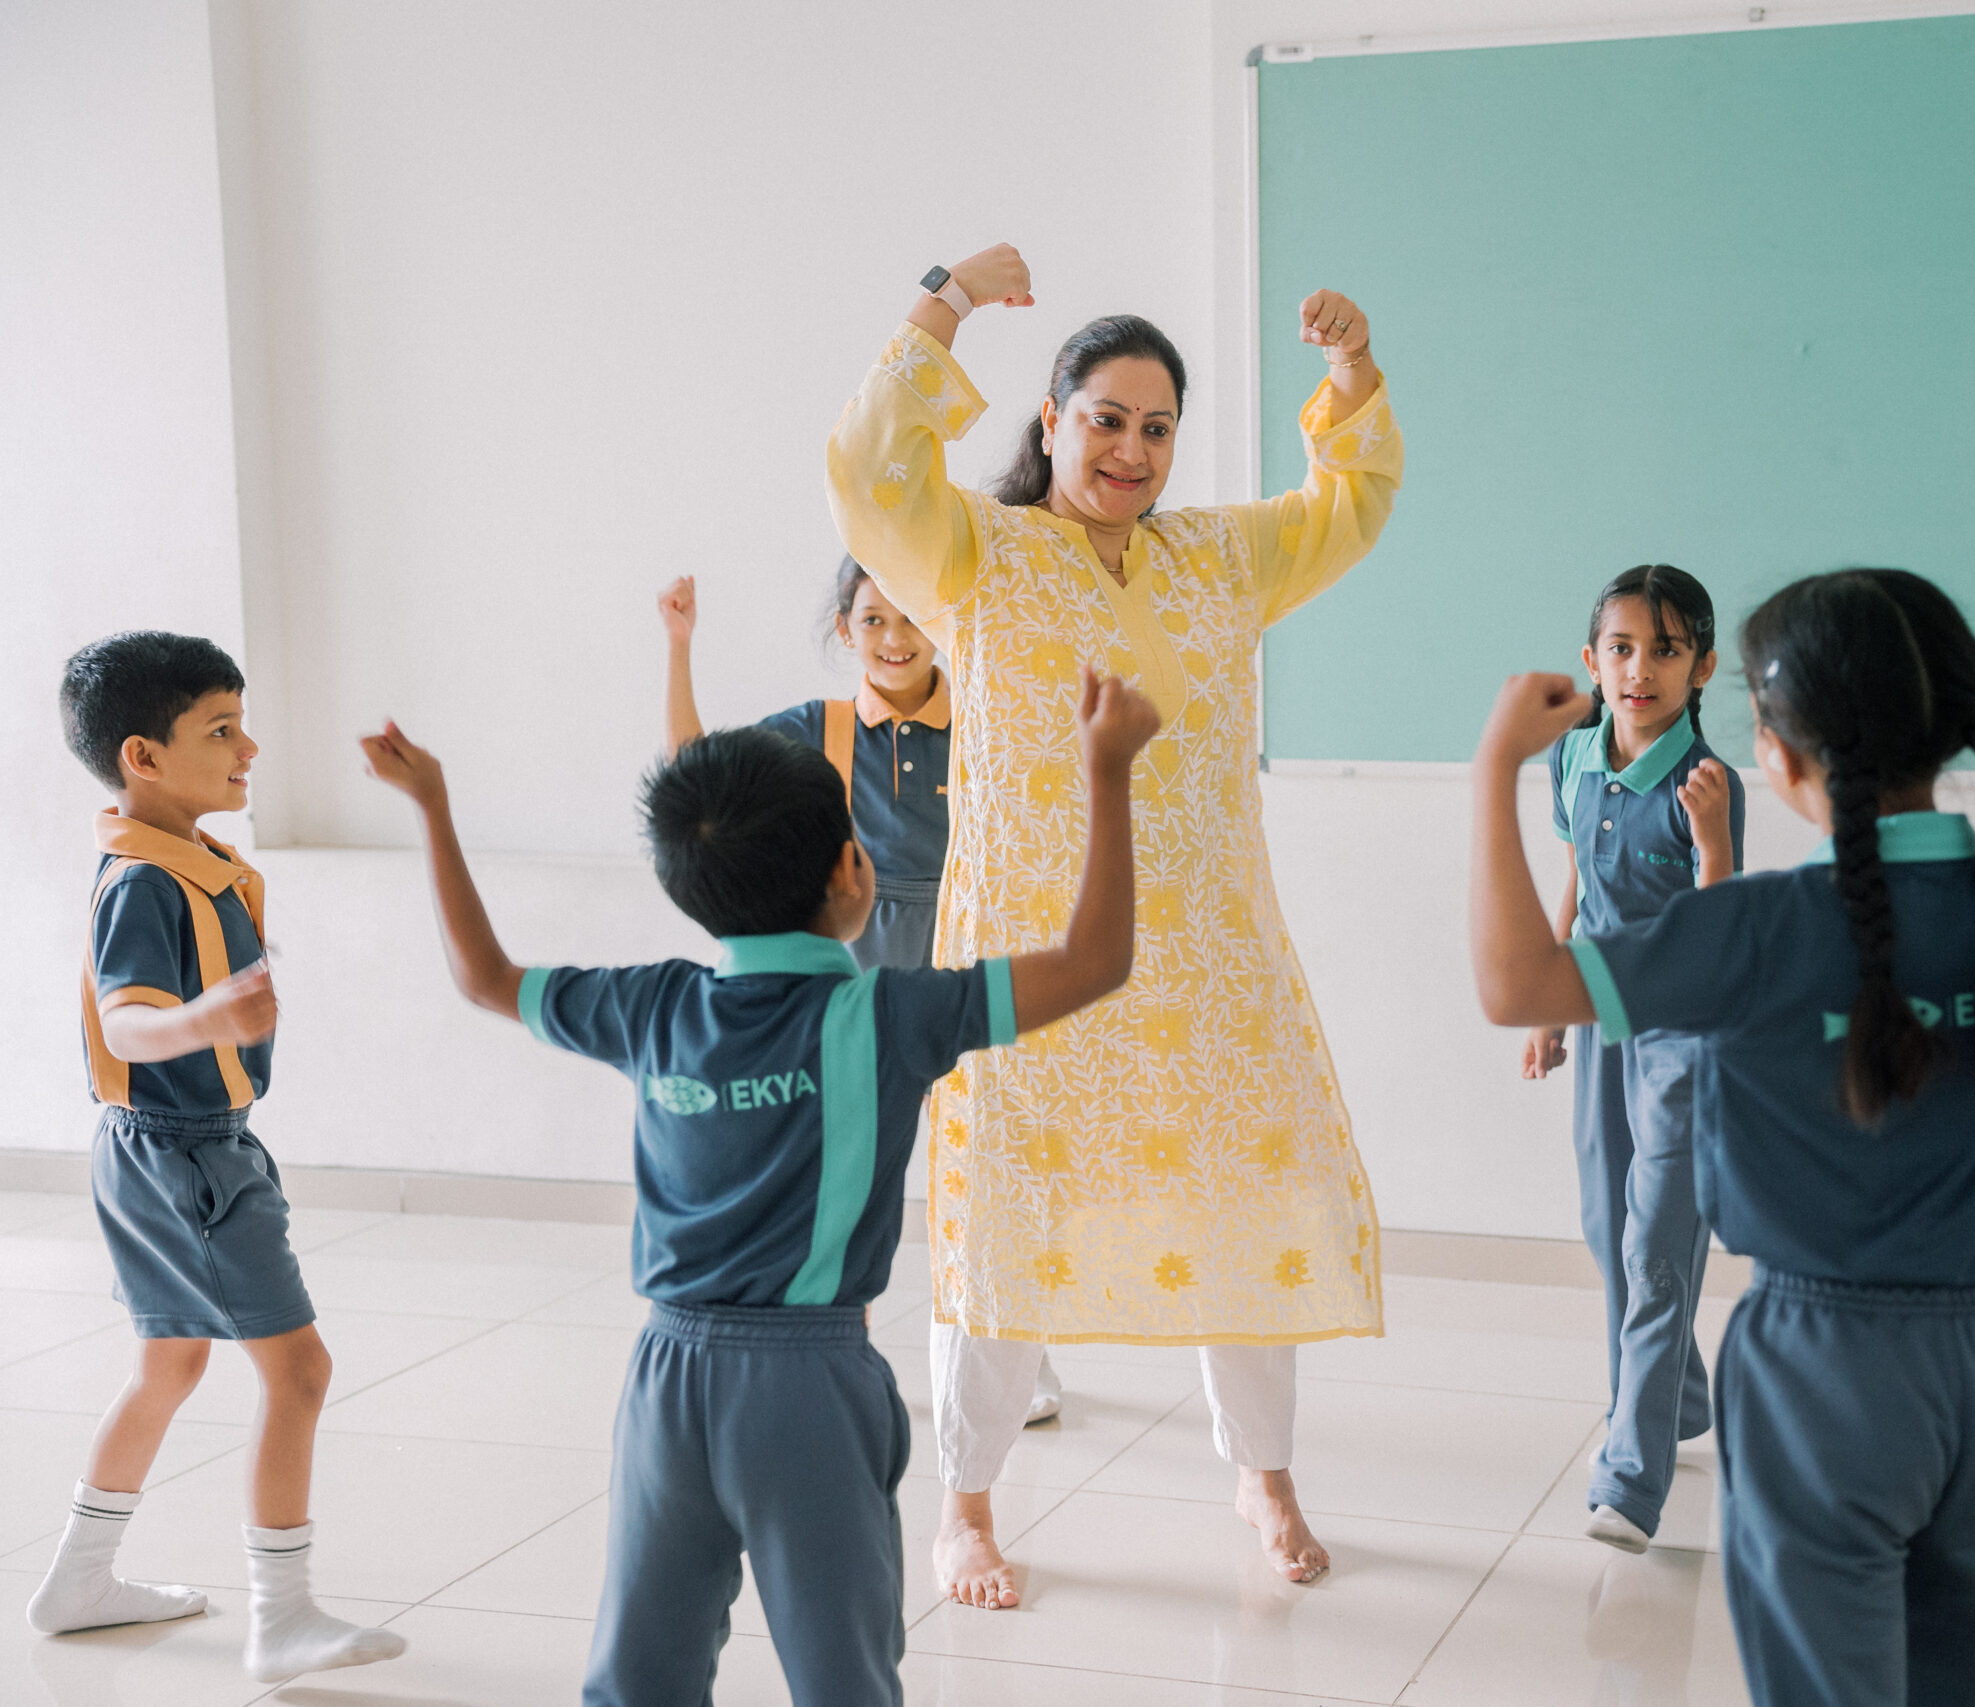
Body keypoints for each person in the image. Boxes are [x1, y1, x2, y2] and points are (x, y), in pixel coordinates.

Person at [1468, 568, 1975, 1707]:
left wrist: (1492, 773)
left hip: (1812, 1369)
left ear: (1775, 755)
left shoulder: (1757, 928)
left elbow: (1513, 982)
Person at [359, 666, 1157, 1706]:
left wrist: (432, 806)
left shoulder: (651, 1007)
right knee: (843, 1678)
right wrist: (1106, 769)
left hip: (663, 1381)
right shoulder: (892, 1015)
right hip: (808, 1389)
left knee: (638, 1679)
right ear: (853, 870)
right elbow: (1095, 961)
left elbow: (483, 978)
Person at [826, 241, 1400, 1602]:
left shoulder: (1220, 559)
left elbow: (1353, 501)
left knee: (1244, 1202)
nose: (1131, 449)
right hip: (1027, 967)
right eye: (1104, 419)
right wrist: (946, 297)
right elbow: (867, 468)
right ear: (1050, 421)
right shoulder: (973, 552)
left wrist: (1351, 370)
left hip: (1206, 961)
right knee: (1005, 1221)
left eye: (1156, 428)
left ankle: (1264, 1475)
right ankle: (964, 1502)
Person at [32, 632, 405, 1684]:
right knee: (300, 1369)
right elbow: (130, 1023)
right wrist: (205, 1016)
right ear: (143, 757)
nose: (250, 747)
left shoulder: (179, 862)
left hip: (166, 1151)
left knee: (171, 1364)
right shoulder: (144, 885)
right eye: (221, 730)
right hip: (188, 1158)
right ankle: (280, 1614)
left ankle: (79, 1579)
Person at [657, 562, 1064, 1421]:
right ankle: (843, 1344)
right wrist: (679, 647)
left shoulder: (990, 718)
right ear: (845, 629)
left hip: (964, 969)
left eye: (911, 618)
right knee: (852, 1178)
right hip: (858, 986)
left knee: (994, 1175)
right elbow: (697, 775)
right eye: (873, 620)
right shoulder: (820, 731)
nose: (894, 638)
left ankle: (1019, 1358)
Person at [1519, 564, 1744, 1552]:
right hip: (1602, 1016)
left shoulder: (1706, 783)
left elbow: (1722, 928)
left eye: (1665, 650)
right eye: (1621, 648)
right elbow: (1573, 875)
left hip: (1684, 1037)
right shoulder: (1572, 757)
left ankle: (1630, 1477)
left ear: (1702, 668)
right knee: (1607, 1228)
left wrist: (1714, 840)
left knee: (1657, 1249)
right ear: (1591, 661)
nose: (1639, 669)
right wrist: (1548, 1003)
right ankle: (1676, 1400)